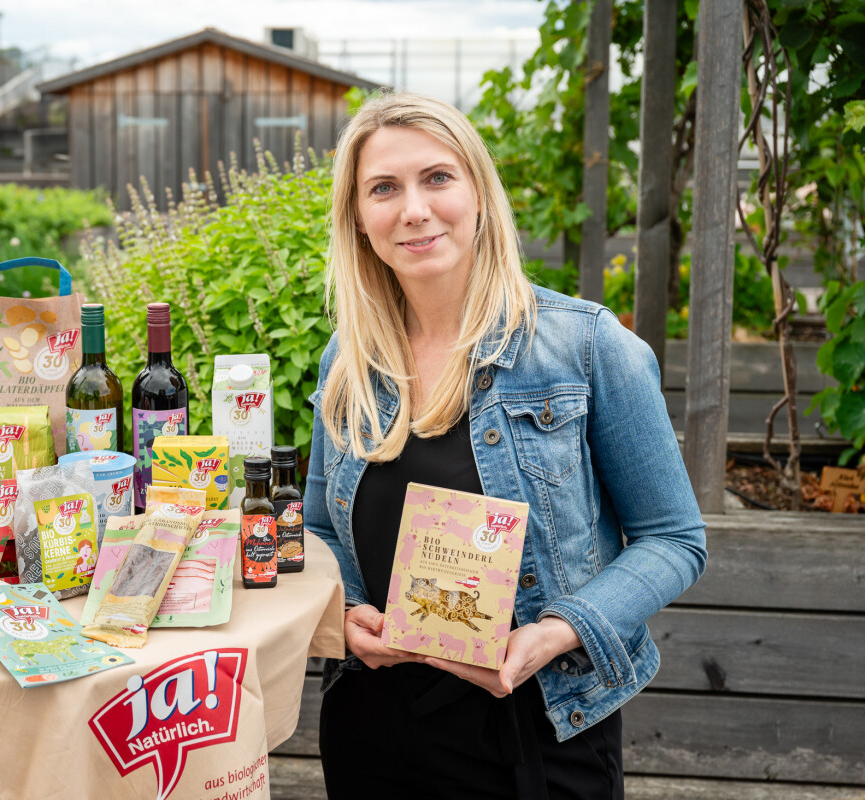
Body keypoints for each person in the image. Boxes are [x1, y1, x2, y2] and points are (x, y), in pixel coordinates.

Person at [303, 92, 707, 799]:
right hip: (374, 724)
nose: (414, 209)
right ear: (359, 221)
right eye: (383, 189)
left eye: (437, 178)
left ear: (480, 195)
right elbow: (315, 525)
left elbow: (674, 540)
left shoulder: (586, 346)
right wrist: (341, 612)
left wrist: (552, 634)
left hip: (535, 726)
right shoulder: (349, 357)